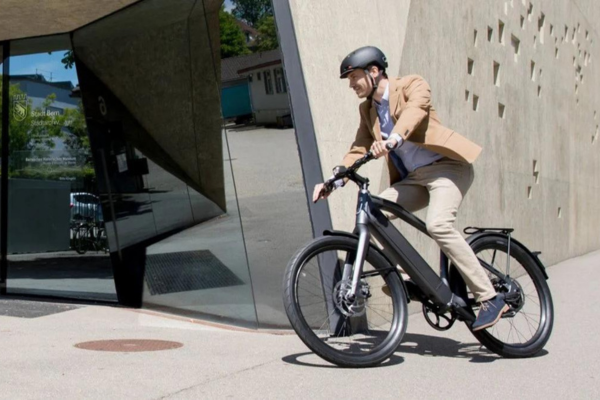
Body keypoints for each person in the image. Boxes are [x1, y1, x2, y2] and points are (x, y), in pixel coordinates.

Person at [312, 46, 508, 332]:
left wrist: (393, 139)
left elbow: (415, 112)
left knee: (439, 224)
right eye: (349, 81)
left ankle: (490, 297)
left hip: (447, 169)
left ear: (374, 71)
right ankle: (409, 279)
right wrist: (335, 180)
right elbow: (358, 147)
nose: (352, 85)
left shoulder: (412, 85)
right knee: (373, 210)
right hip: (415, 179)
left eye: (354, 77)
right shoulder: (367, 110)